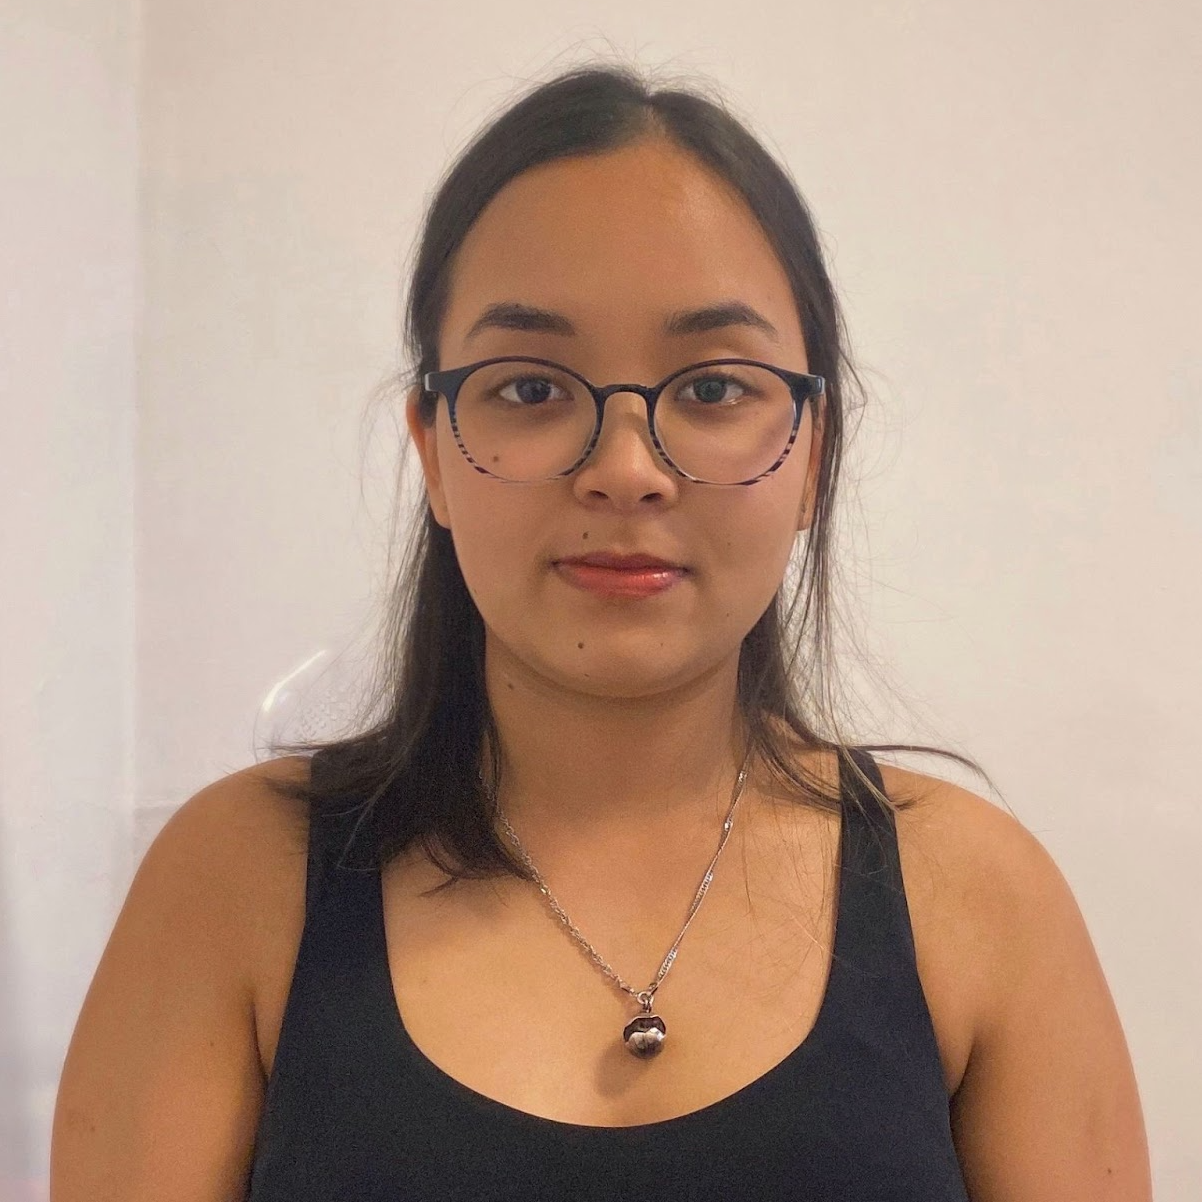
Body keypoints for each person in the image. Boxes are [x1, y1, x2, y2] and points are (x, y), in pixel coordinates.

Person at [50, 63, 1151, 1201]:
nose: (625, 468)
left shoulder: (977, 898)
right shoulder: (237, 881)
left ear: (813, 453)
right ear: (432, 449)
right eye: (531, 389)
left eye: (712, 389)